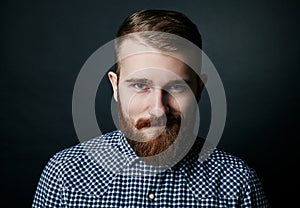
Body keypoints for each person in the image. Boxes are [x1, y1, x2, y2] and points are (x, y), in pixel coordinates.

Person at [33, 9, 269, 207]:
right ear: (115, 87)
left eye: (176, 87)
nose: (158, 109)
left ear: (198, 90)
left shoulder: (238, 183)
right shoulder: (64, 174)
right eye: (139, 85)